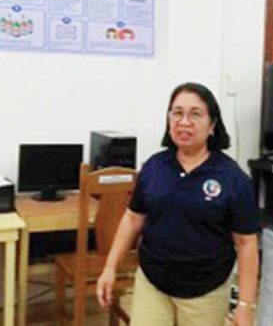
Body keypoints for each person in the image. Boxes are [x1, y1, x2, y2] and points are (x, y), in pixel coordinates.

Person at [97, 82, 260, 326]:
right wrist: (110, 267)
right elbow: (132, 218)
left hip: (204, 290)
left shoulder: (233, 178)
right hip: (153, 282)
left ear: (212, 125)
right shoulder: (154, 167)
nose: (184, 122)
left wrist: (245, 306)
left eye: (195, 114)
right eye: (177, 113)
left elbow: (246, 243)